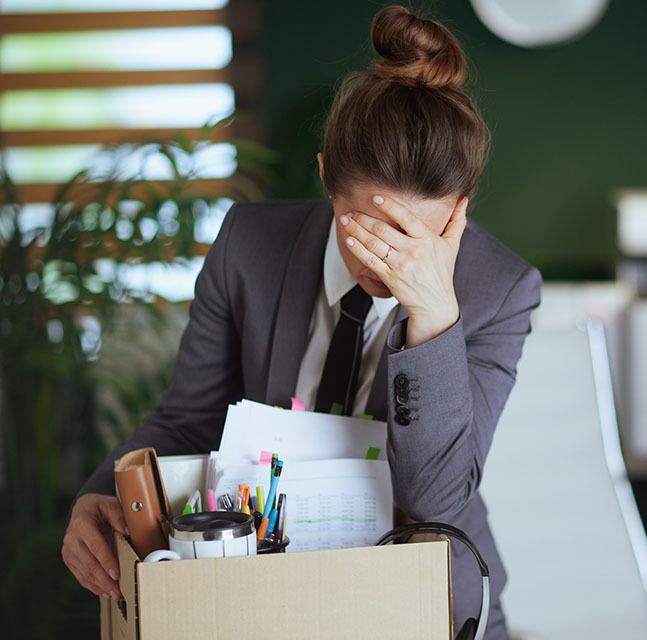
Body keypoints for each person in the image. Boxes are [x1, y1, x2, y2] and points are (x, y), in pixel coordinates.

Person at [61, 5, 541, 638]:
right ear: (324, 180)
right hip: (263, 589)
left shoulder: (500, 290)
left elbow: (435, 500)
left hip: (426, 595)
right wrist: (101, 493)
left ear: (461, 208)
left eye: (414, 239)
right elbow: (188, 416)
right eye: (367, 231)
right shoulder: (247, 245)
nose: (387, 261)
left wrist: (432, 314)